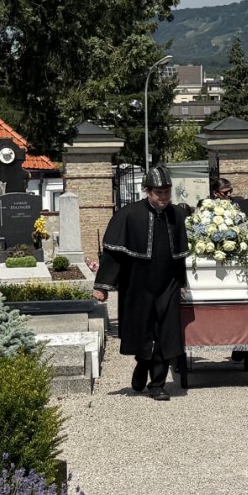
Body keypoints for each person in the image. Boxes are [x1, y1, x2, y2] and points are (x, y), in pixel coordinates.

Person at [92, 165, 189, 401]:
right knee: (142, 331)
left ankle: (158, 384)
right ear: (147, 191)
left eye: (167, 192)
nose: (163, 197)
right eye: (159, 192)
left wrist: (182, 283)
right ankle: (142, 363)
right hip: (137, 283)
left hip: (168, 283)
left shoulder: (177, 214)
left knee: (166, 333)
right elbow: (114, 254)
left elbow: (180, 254)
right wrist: (103, 285)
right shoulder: (128, 215)